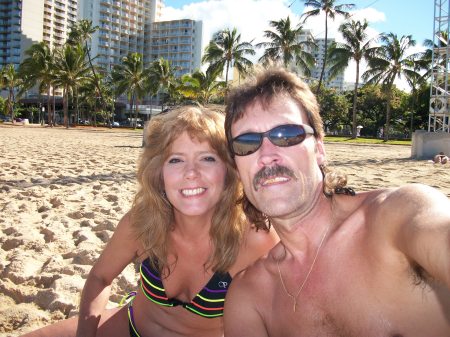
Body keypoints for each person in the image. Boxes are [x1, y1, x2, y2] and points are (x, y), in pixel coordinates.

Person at [223, 67, 450, 337]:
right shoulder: (249, 297)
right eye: (247, 143)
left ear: (319, 149)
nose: (266, 155)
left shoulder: (396, 216)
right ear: (237, 167)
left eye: (286, 135)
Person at [22, 106, 278, 337]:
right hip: (129, 326)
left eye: (207, 158)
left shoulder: (252, 239)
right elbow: (100, 278)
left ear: (229, 172)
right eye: (176, 159)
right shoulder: (141, 222)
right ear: (159, 173)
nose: (191, 173)